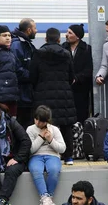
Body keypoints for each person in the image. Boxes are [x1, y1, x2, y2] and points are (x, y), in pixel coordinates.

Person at [30, 27, 77, 165]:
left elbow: (32, 75)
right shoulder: (66, 54)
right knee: (66, 126)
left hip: (43, 94)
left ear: (45, 39)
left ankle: (48, 154)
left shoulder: (38, 53)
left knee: (46, 124)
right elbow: (71, 76)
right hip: (64, 94)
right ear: (58, 39)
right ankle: (68, 157)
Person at [26, 105, 66, 205]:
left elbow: (62, 148)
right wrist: (40, 137)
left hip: (52, 155)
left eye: (42, 121)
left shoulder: (54, 129)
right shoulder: (30, 129)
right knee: (36, 170)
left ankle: (48, 198)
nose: (38, 123)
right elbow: (31, 149)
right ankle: (45, 198)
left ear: (47, 121)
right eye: (36, 119)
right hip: (36, 156)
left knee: (53, 170)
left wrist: (50, 139)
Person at [62, 24, 93, 124]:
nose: (66, 35)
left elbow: (89, 69)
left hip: (81, 90)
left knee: (81, 116)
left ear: (78, 36)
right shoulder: (63, 48)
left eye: (70, 33)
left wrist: (77, 78)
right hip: (66, 89)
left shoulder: (87, 49)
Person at [11, 18, 38, 130]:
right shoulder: (17, 45)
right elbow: (17, 69)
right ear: (28, 30)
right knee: (23, 126)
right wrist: (33, 76)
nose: (36, 31)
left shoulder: (25, 44)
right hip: (22, 95)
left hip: (26, 94)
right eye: (35, 28)